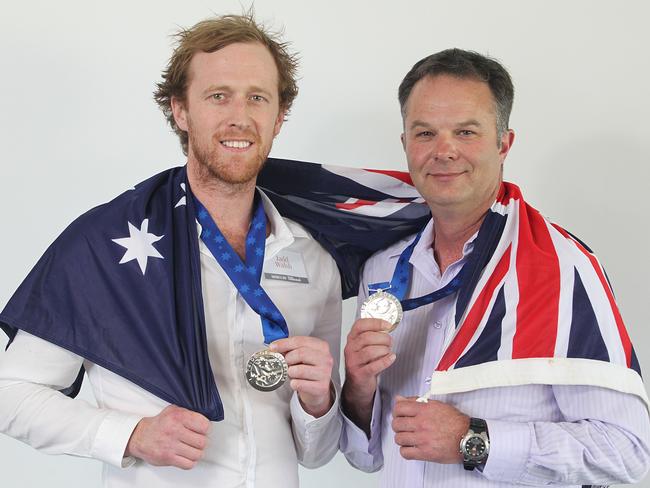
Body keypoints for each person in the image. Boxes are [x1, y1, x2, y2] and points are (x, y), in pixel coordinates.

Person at [0, 14, 342, 488]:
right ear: (180, 110)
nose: (240, 116)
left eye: (258, 97)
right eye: (218, 95)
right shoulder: (102, 245)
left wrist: (319, 401)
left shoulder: (313, 259)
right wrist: (131, 435)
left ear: (279, 116)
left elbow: (317, 453)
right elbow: (10, 393)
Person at [340, 48, 650, 487]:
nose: (443, 151)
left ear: (504, 143)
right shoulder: (383, 271)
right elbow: (366, 457)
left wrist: (475, 440)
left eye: (466, 132)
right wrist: (357, 386)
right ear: (405, 143)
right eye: (425, 132)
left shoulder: (563, 268)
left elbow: (628, 450)